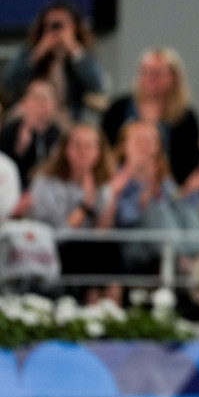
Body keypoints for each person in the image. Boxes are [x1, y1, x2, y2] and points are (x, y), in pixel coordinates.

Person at [29, 123, 127, 304]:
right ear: (65, 149)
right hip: (55, 249)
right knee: (84, 250)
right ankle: (90, 305)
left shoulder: (103, 185)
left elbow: (102, 232)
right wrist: (85, 205)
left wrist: (111, 196)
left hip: (91, 251)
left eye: (89, 146)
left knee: (111, 250)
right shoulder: (45, 182)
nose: (83, 152)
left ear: (99, 152)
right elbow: (61, 232)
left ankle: (113, 308)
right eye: (77, 145)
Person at [101, 47, 199, 195]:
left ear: (174, 78)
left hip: (167, 189)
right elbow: (104, 148)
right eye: (146, 72)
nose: (151, 78)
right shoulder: (118, 108)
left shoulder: (186, 118)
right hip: (123, 185)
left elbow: (190, 164)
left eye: (157, 73)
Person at [113, 119, 199, 274]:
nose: (145, 146)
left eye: (151, 141)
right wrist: (147, 193)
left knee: (186, 209)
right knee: (156, 210)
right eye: (139, 140)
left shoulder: (163, 177)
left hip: (166, 240)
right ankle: (190, 263)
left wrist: (189, 191)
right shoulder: (115, 178)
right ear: (123, 146)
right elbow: (125, 220)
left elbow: (181, 209)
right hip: (132, 244)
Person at [2, 0, 106, 119]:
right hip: (31, 115)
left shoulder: (82, 55)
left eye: (61, 25)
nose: (56, 31)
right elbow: (8, 83)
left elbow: (97, 85)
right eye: (51, 25)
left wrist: (74, 49)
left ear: (74, 26)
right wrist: (38, 53)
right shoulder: (29, 52)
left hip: (68, 118)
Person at [0, 78, 63, 187]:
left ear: (55, 104)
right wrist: (20, 148)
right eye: (36, 97)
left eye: (47, 98)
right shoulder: (10, 130)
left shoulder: (58, 134)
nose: (42, 103)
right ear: (24, 102)